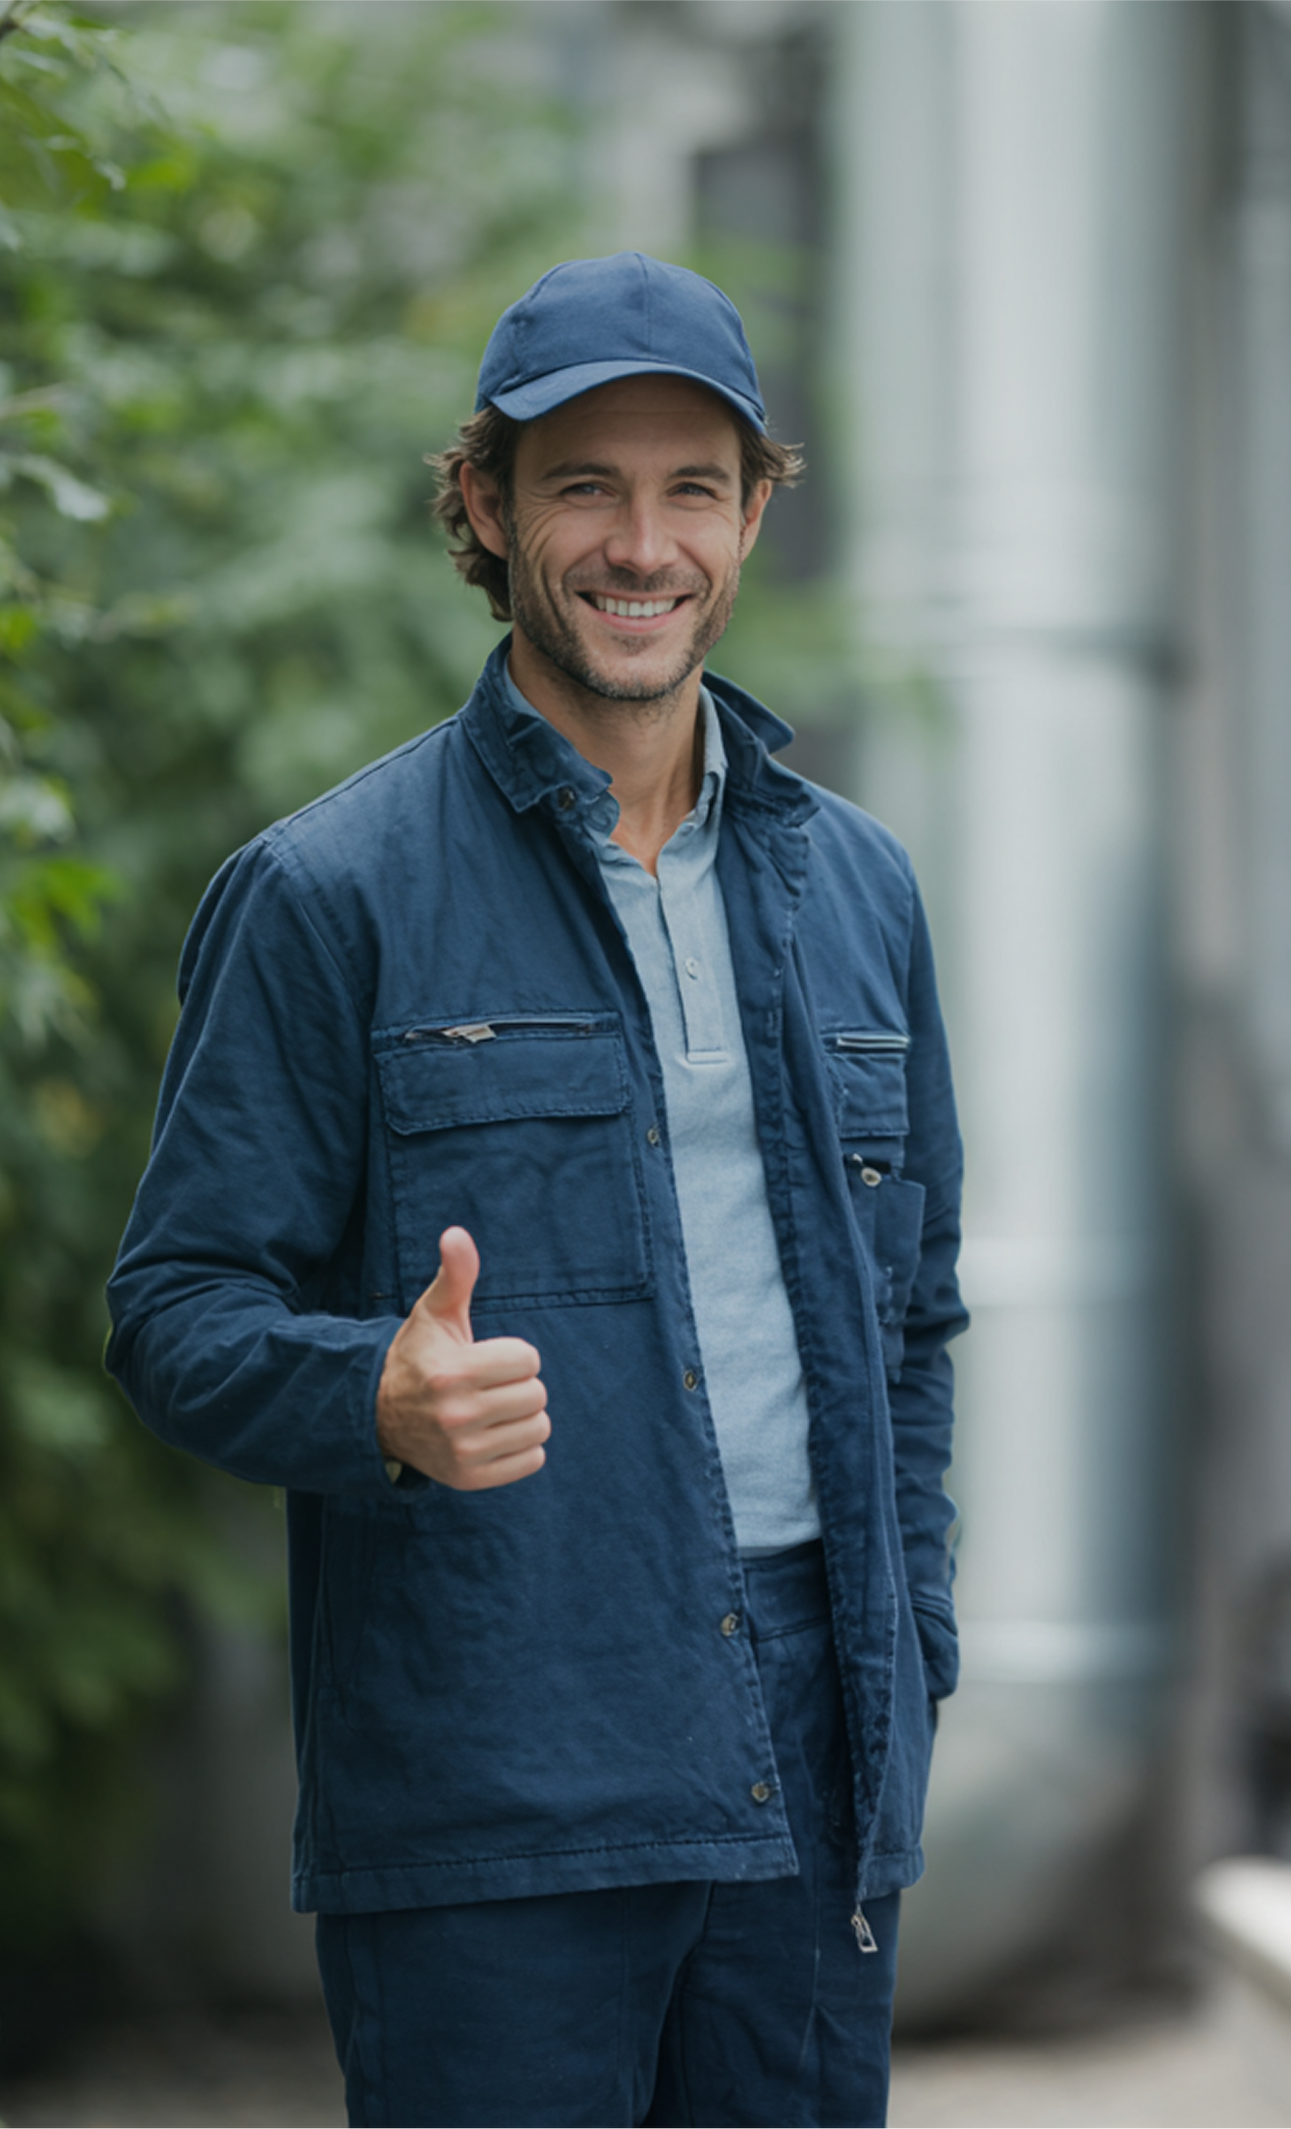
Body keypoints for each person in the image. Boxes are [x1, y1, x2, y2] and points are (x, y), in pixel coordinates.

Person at [106, 252, 967, 2128]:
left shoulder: (861, 891)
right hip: (497, 1768)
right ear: (488, 509)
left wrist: (915, 1646)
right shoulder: (328, 893)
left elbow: (912, 1319)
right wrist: (371, 1395)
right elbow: (175, 1312)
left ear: (751, 518)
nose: (642, 545)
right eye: (585, 486)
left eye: (691, 490)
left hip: (818, 1764)